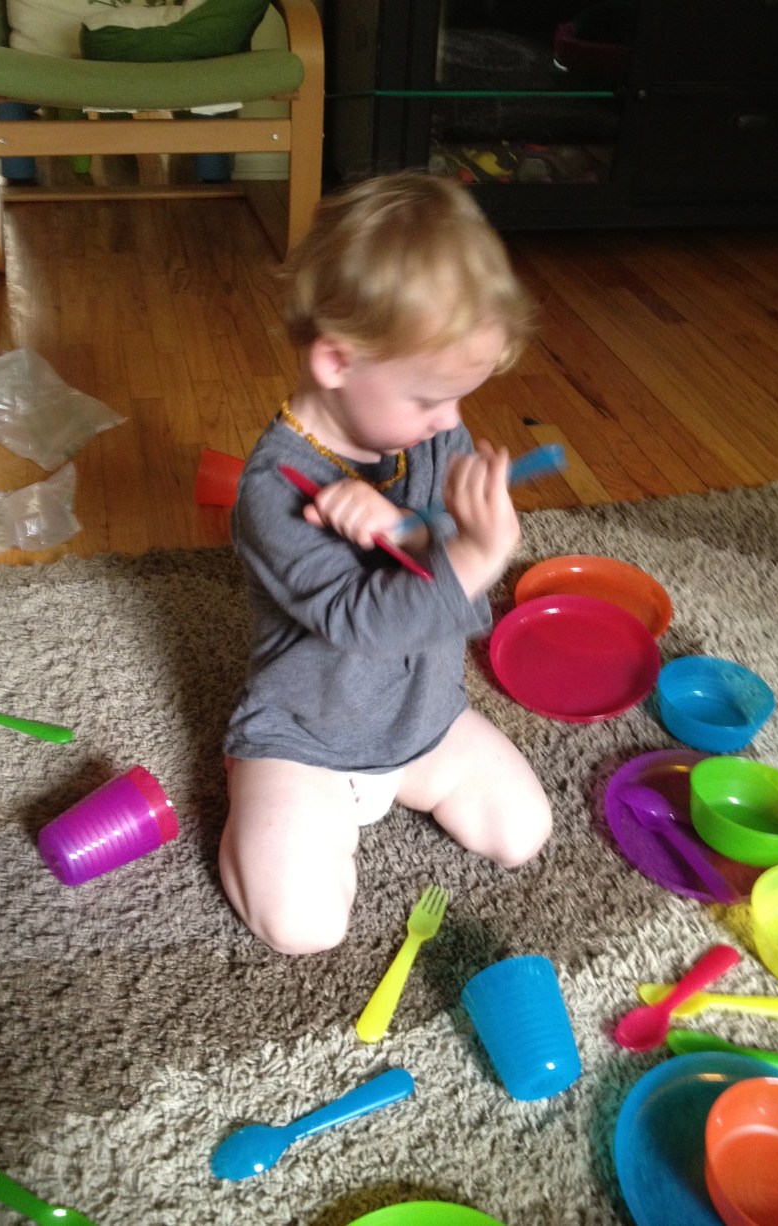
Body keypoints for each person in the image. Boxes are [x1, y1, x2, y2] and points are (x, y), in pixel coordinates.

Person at [219, 172, 552, 954]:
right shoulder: (273, 488)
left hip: (421, 719)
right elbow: (363, 624)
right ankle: (247, 781)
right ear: (335, 360)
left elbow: (447, 585)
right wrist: (472, 550)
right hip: (307, 735)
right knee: (302, 929)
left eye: (462, 397)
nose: (452, 421)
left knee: (522, 834)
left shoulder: (431, 436)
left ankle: (403, 776)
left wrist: (410, 530)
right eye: (431, 398)